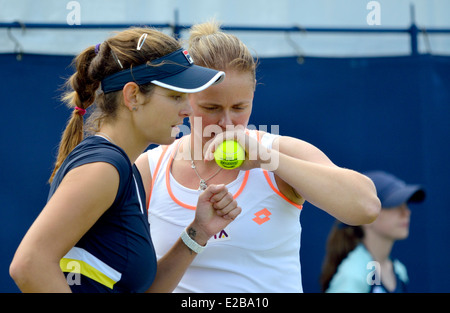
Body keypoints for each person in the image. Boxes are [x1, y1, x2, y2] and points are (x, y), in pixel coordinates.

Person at [135, 20, 380, 293]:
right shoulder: (150, 168)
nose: (227, 122)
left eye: (240, 107)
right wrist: (196, 234)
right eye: (211, 107)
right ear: (184, 99)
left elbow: (366, 207)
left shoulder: (277, 152)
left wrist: (268, 159)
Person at [9, 27, 242, 293]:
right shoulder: (104, 168)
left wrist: (198, 231)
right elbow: (29, 265)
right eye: (176, 96)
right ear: (133, 96)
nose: (188, 110)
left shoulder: (124, 170)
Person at [320, 170, 426, 293]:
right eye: (395, 204)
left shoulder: (399, 271)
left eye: (405, 204)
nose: (406, 212)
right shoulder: (353, 275)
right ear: (366, 217)